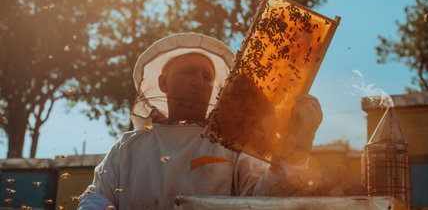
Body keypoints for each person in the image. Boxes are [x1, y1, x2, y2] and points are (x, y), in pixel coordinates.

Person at [78, 33, 323, 210]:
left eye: (207, 76)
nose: (199, 81)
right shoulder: (128, 147)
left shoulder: (231, 146)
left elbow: (263, 200)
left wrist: (296, 154)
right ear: (163, 82)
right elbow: (96, 197)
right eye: (188, 71)